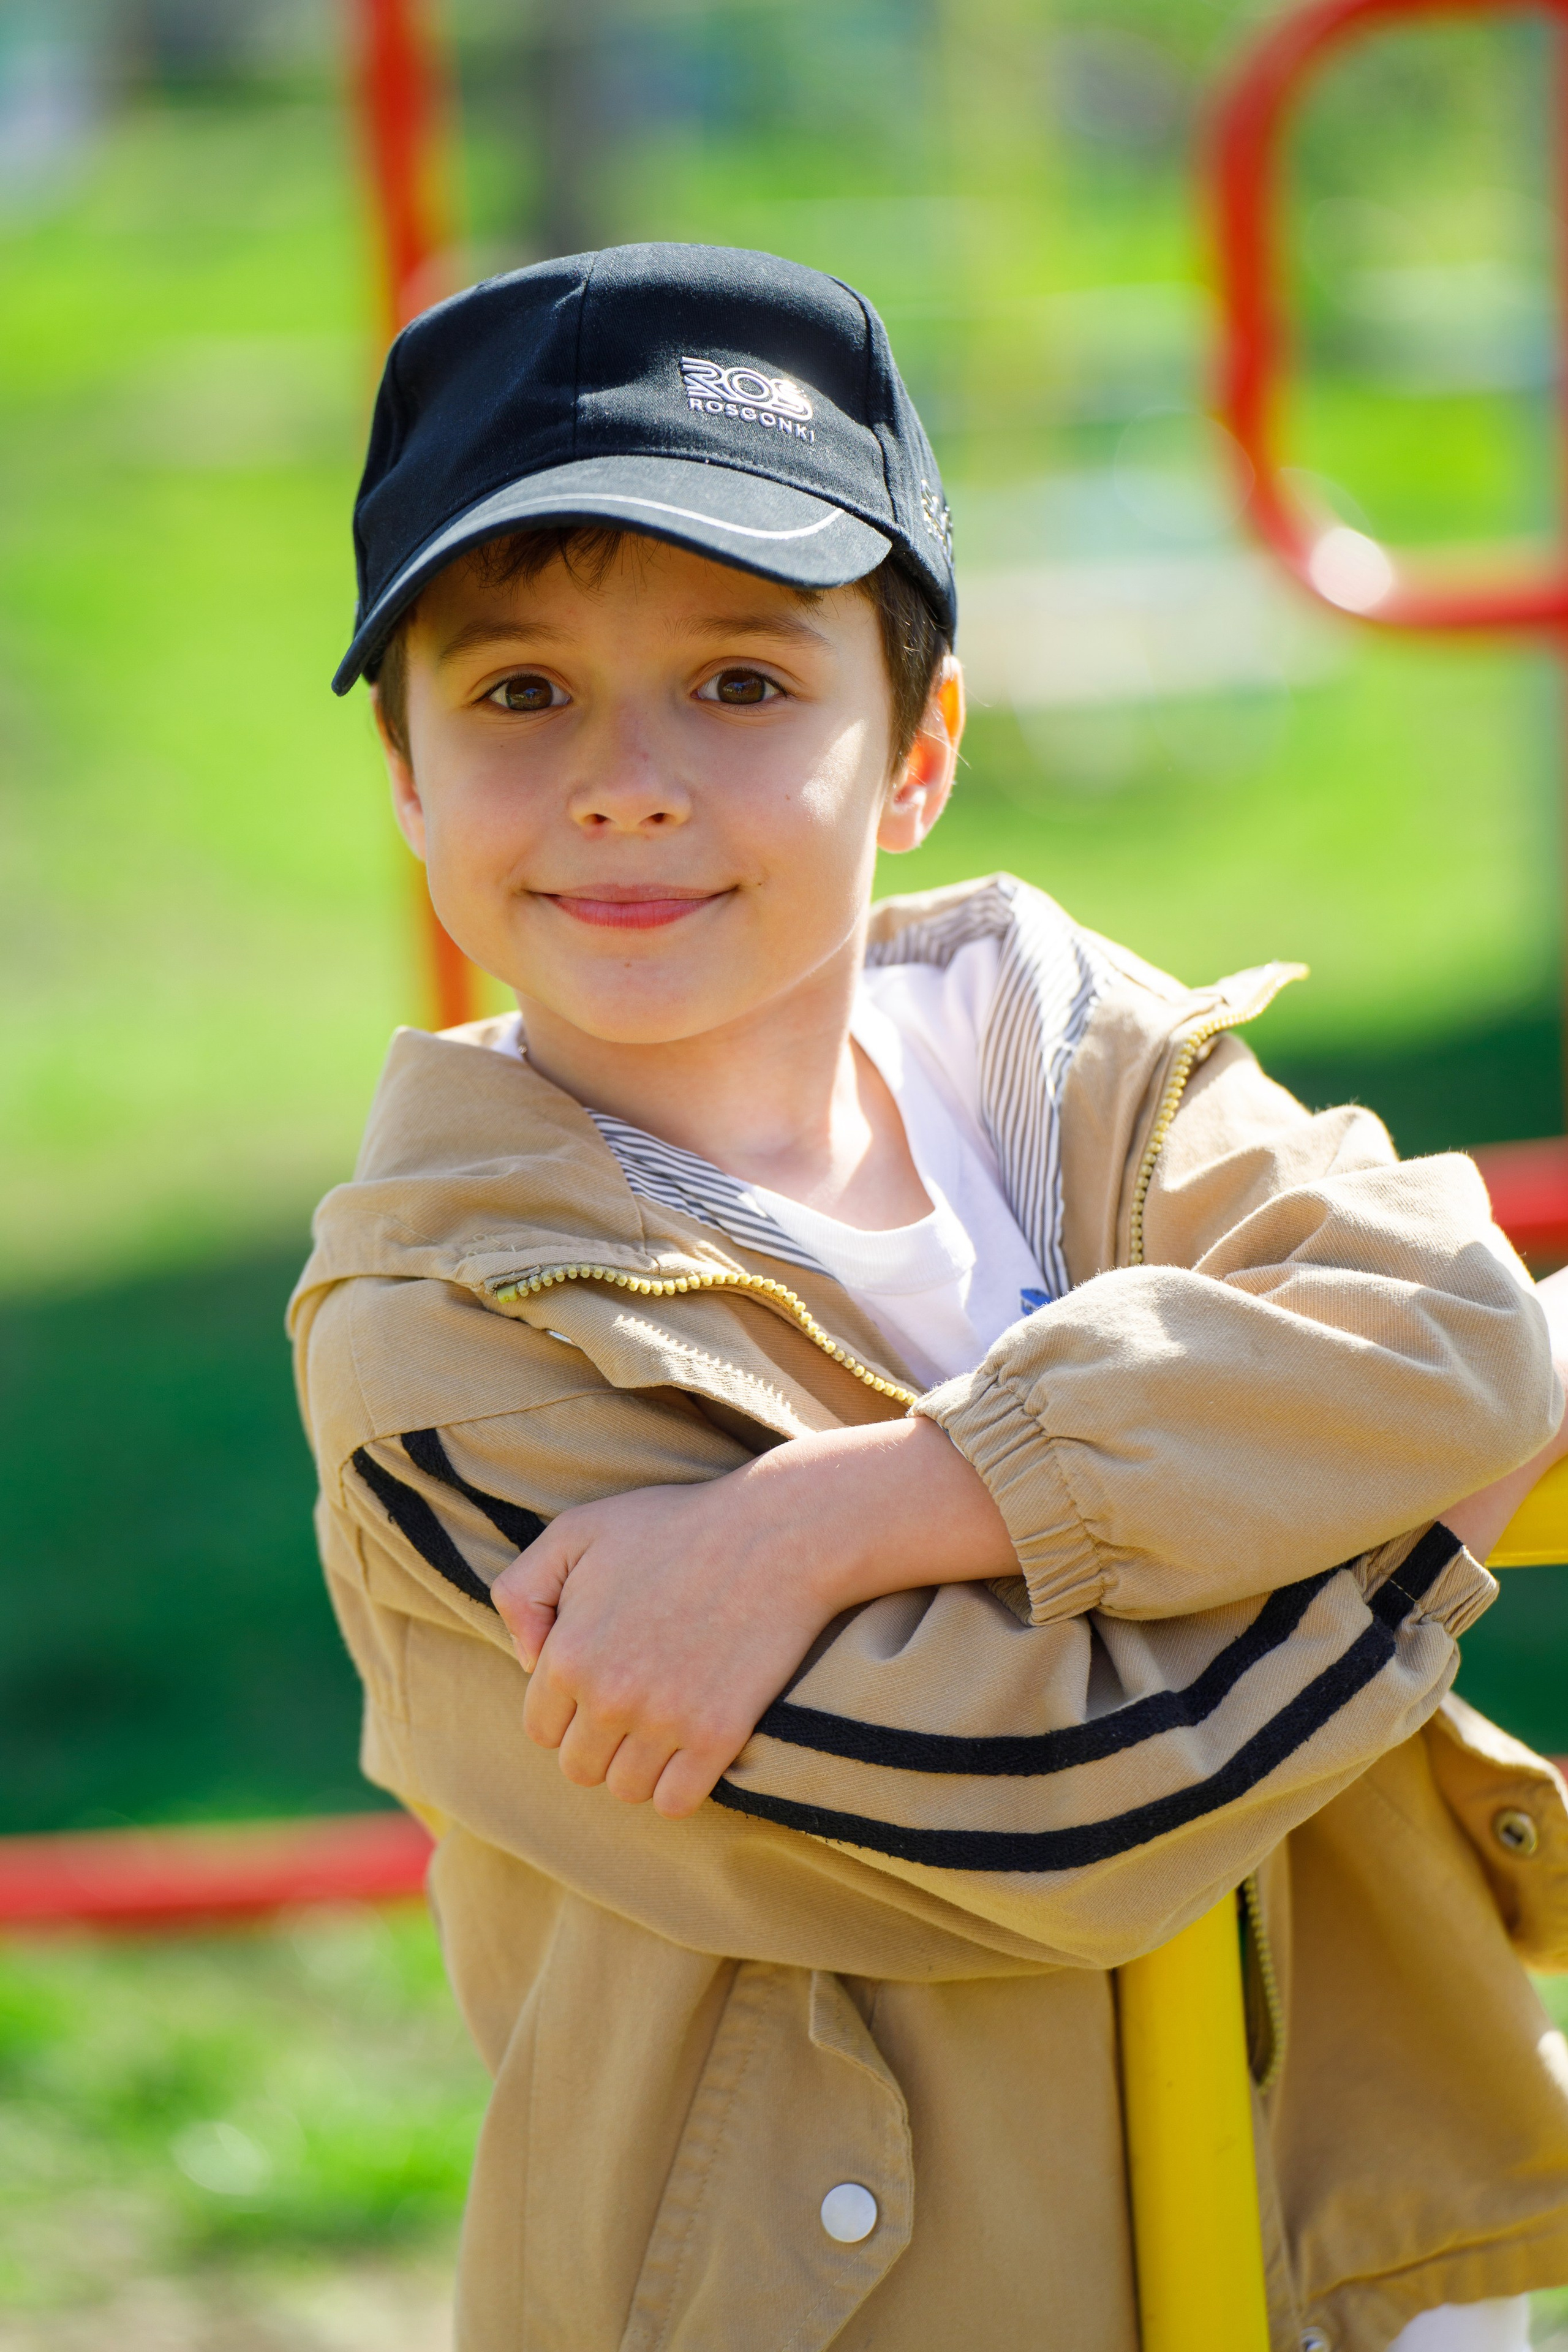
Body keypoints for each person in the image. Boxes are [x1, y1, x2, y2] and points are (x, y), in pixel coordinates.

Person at [289, 244, 1568, 2352]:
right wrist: (1423, 1482)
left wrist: (858, 1512)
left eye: (744, 683)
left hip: (1330, 2242)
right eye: (519, 692)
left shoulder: (1071, 1064)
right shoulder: (444, 1351)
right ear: (410, 780)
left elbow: (1445, 1324)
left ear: (918, 749)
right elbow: (1076, 1793)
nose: (625, 777)